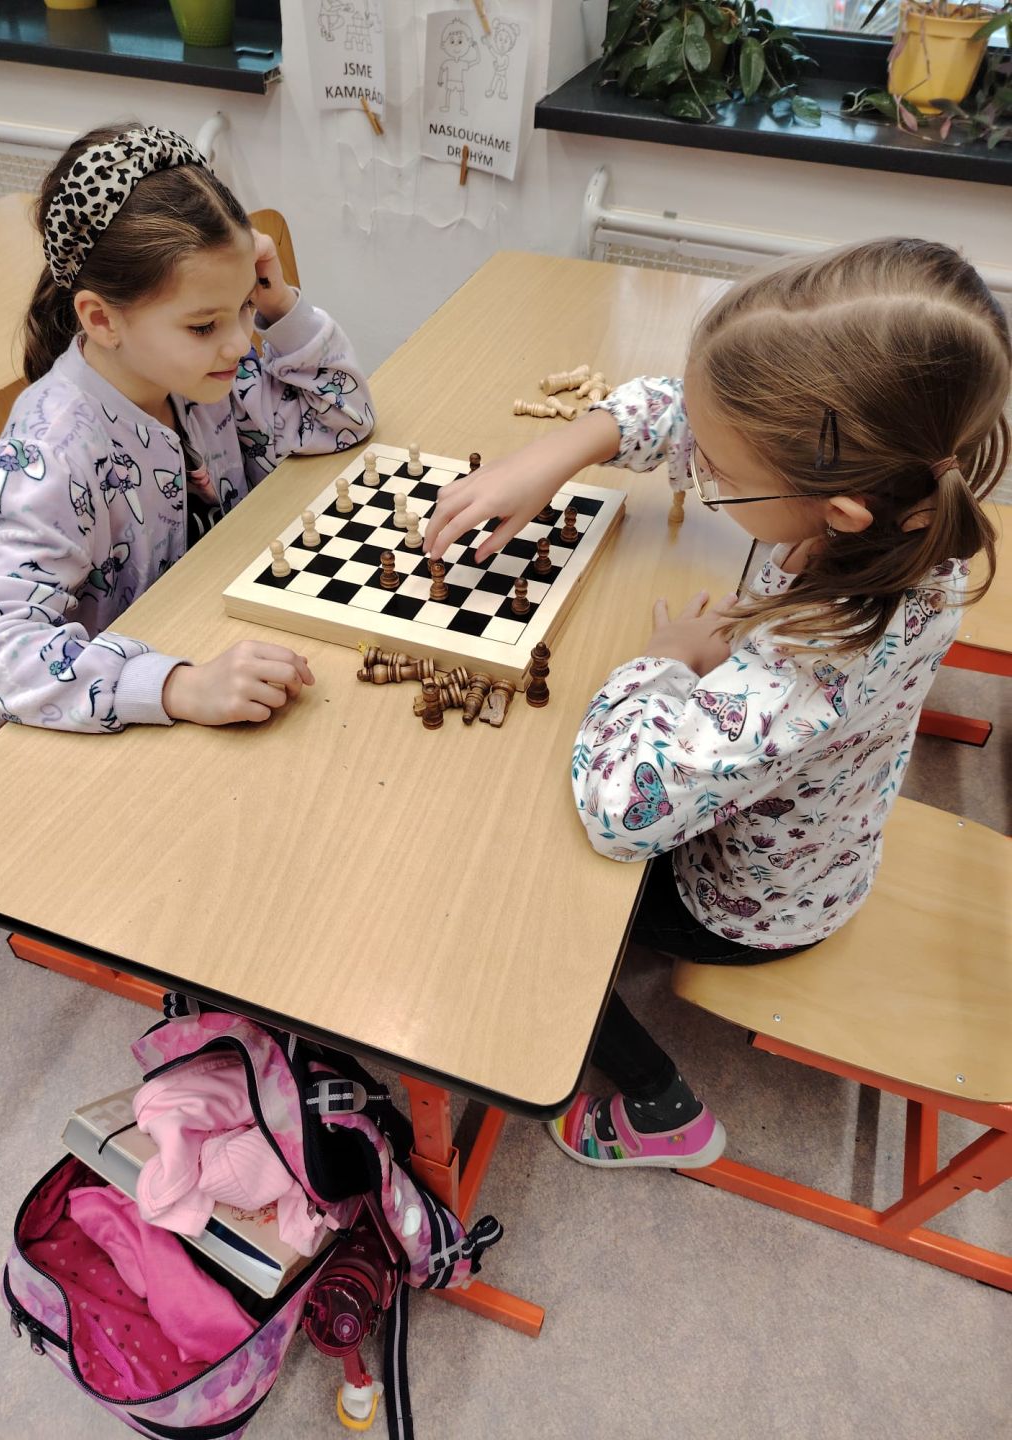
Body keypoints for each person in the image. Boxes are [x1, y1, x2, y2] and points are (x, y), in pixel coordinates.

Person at [424, 238, 1009, 1170]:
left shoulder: (817, 658)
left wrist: (662, 666)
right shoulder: (898, 508)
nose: (702, 471)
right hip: (809, 831)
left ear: (836, 511)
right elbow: (689, 409)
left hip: (746, 904)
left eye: (721, 477)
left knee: (499, 888)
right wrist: (555, 456)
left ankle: (662, 1106)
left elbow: (626, 809)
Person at [0, 123, 374, 734]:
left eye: (245, 307)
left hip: (219, 626)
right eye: (204, 325)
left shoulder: (206, 371)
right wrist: (175, 686)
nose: (240, 342)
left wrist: (276, 299)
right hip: (128, 724)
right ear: (102, 320)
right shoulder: (50, 452)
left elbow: (341, 421)